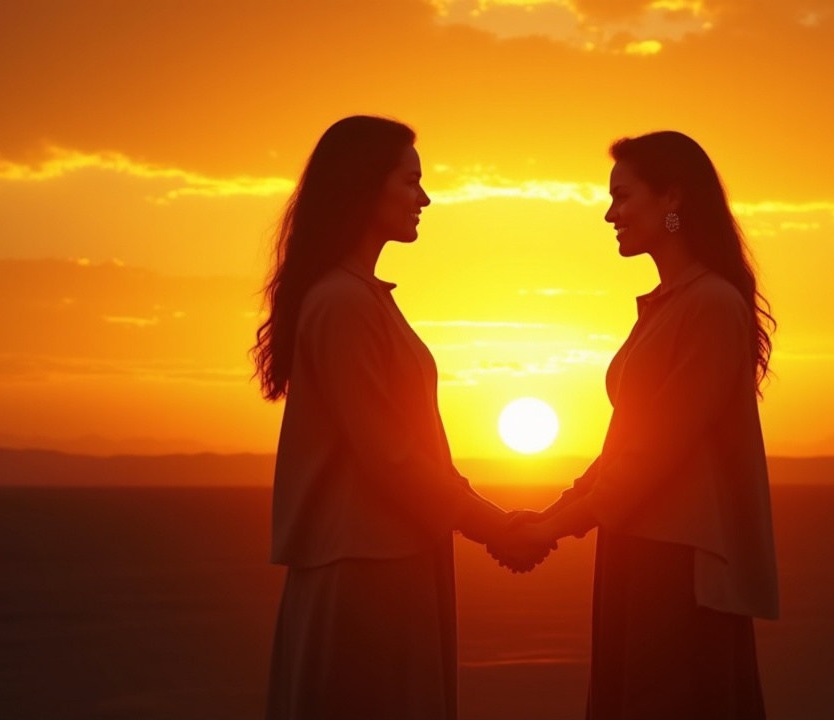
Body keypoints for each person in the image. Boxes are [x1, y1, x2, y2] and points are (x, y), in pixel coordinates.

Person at [253, 115, 551, 720]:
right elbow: (390, 457)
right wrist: (492, 524)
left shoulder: (359, 298)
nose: (425, 198)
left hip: (389, 560)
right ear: (366, 187)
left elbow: (406, 452)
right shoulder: (342, 302)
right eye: (411, 181)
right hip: (364, 571)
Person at [499, 131, 781, 719]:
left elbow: (653, 454)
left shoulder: (710, 305)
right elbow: (628, 442)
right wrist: (558, 512)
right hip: (636, 545)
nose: (610, 214)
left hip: (678, 563)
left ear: (672, 198)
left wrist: (553, 528)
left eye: (623, 198)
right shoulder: (670, 304)